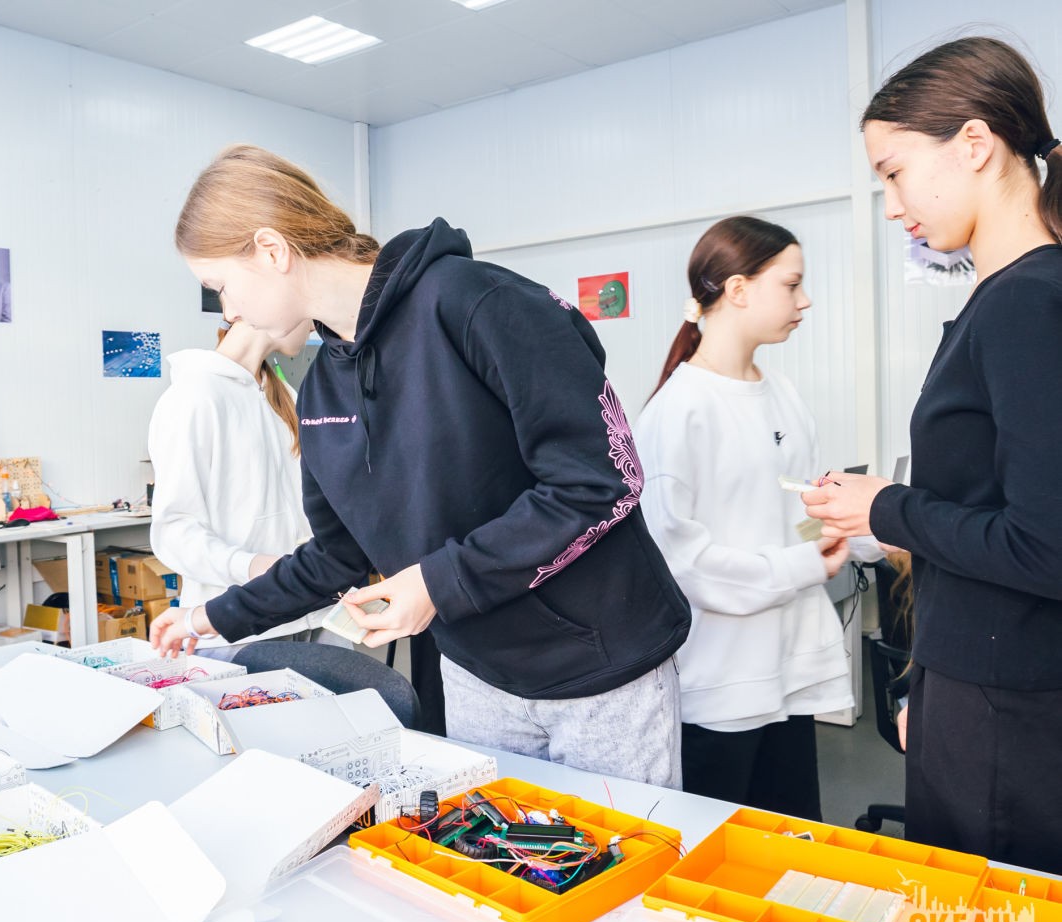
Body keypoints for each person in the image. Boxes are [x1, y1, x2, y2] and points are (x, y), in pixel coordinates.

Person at [150, 144, 691, 785]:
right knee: (492, 848)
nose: (228, 312)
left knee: (627, 845)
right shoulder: (323, 389)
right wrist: (209, 618)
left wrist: (436, 583)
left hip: (600, 668)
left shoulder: (478, 303)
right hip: (475, 674)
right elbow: (336, 558)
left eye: (220, 287)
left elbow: (602, 480)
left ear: (271, 251)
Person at [804, 36, 1062, 872]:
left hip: (1009, 709)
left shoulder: (1026, 304)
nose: (891, 206)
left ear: (975, 143)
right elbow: (992, 511)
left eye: (894, 172)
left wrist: (885, 506)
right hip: (977, 684)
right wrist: (931, 679)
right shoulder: (1006, 300)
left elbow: (1046, 545)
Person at [635, 217, 880, 820]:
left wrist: (854, 535)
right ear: (738, 290)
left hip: (788, 673)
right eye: (791, 285)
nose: (805, 300)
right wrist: (805, 564)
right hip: (720, 686)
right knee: (719, 852)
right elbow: (682, 563)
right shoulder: (679, 411)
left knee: (789, 845)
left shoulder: (783, 394)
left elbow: (793, 515)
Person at [147, 318, 327, 651]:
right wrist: (252, 565)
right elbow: (174, 532)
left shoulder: (285, 394)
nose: (315, 325)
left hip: (316, 614)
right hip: (239, 628)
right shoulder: (193, 397)